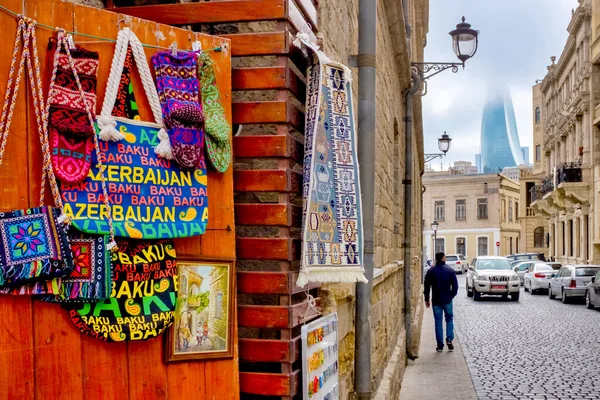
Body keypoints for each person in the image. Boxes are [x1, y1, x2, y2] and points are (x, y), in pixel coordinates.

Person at [424, 251, 458, 352]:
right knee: (449, 319)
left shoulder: (431, 271)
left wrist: (426, 298)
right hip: (447, 300)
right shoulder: (450, 271)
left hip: (436, 300)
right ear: (443, 258)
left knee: (438, 322)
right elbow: (455, 287)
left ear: (436, 258)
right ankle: (449, 339)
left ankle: (440, 345)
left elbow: (427, 286)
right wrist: (451, 296)